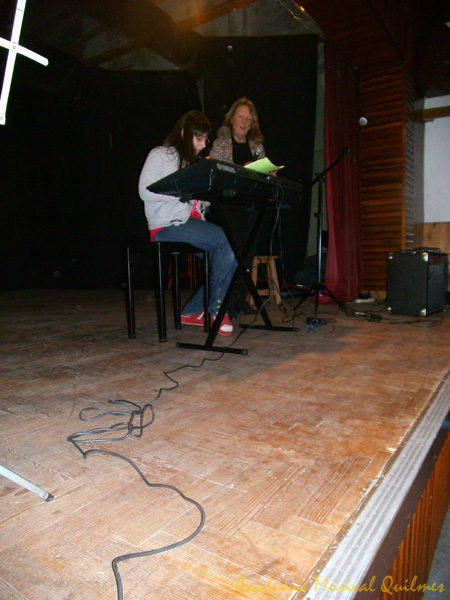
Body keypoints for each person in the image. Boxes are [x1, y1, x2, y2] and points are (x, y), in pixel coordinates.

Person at [138, 110, 237, 336]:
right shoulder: (161, 155)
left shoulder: (194, 163)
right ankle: (216, 310)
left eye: (205, 140)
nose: (202, 145)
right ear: (183, 133)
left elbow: (198, 202)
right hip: (166, 224)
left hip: (189, 223)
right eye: (198, 138)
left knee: (228, 256)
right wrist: (182, 192)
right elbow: (144, 191)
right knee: (225, 242)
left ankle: (192, 311)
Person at [209, 98, 266, 318]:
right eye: (241, 116)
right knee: (232, 252)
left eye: (249, 119)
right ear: (232, 119)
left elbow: (262, 176)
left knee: (247, 253)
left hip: (251, 205)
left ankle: (242, 299)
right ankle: (228, 302)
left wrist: (268, 174)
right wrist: (243, 170)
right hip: (228, 205)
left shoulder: (256, 147)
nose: (244, 122)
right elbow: (218, 173)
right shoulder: (220, 144)